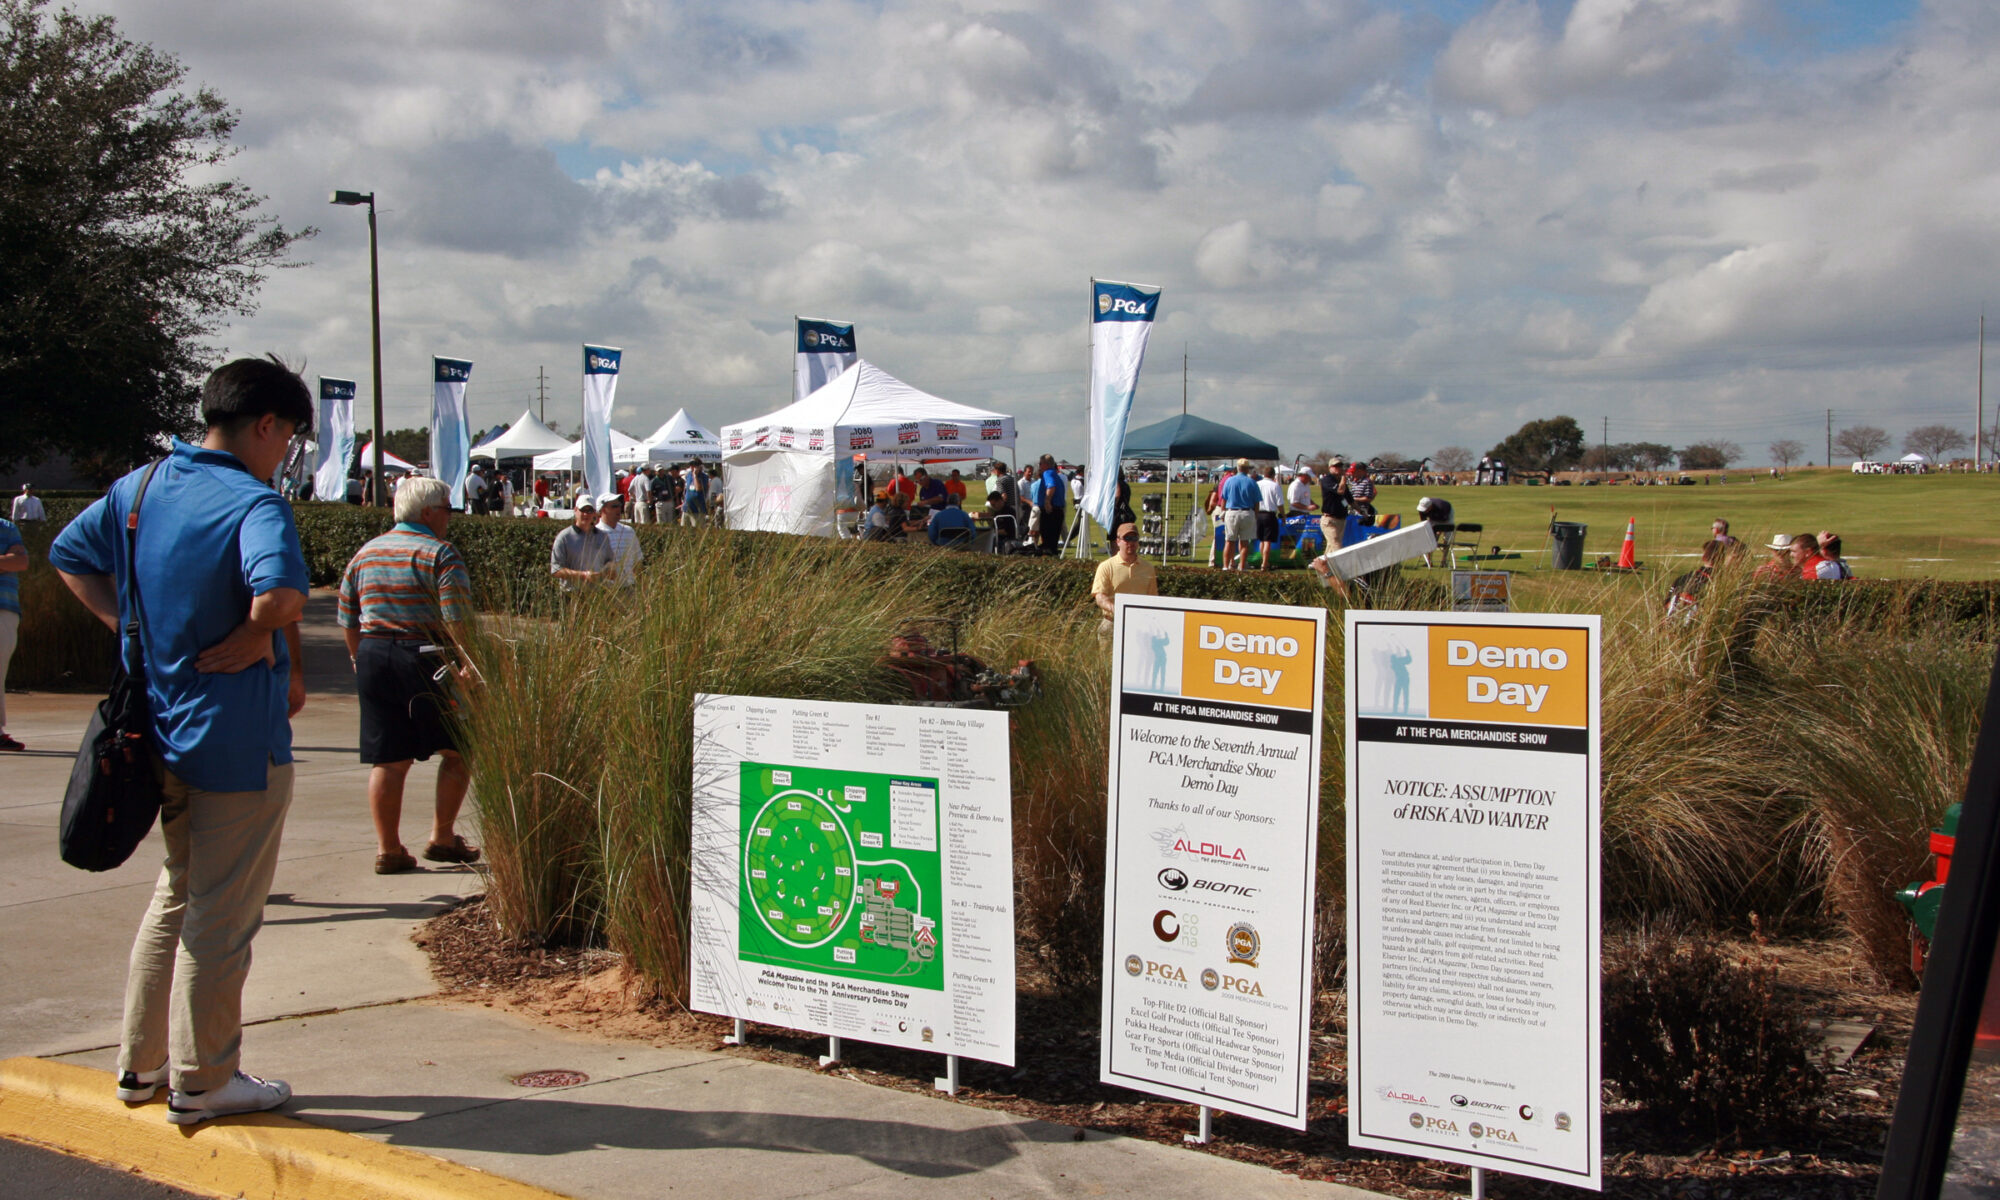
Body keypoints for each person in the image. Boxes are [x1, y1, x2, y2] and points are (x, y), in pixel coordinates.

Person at [49, 355, 313, 1125]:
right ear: (264, 424)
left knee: (174, 898)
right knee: (221, 918)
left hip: (153, 731)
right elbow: (281, 592)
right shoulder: (254, 501)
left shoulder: (137, 488)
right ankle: (205, 1080)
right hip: (234, 740)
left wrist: (128, 625)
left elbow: (69, 555)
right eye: (288, 437)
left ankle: (141, 1066)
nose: (285, 453)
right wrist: (250, 635)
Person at [336, 475, 481, 876]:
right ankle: (442, 836)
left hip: (372, 652)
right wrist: (468, 665)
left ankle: (389, 848)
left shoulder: (366, 553)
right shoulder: (440, 554)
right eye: (448, 509)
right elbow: (457, 620)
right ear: (428, 512)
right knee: (459, 747)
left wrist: (356, 657)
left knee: (388, 758)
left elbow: (347, 615)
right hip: (426, 654)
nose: (450, 518)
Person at [1092, 522, 1158, 631]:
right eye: (1127, 538)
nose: (1131, 542)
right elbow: (1099, 597)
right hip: (1112, 622)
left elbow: (1153, 599)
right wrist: (1116, 609)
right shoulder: (1106, 567)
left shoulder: (1148, 568)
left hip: (1141, 625)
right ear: (1118, 541)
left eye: (1134, 538)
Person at [550, 496, 613, 591]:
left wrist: (608, 570)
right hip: (572, 594)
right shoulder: (564, 537)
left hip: (598, 594)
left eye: (590, 511)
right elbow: (556, 570)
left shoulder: (603, 536)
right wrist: (583, 575)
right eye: (583, 510)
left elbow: (610, 561)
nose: (585, 514)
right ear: (575, 510)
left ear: (595, 513)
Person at [0, 514, 23, 750]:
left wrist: (10, 560)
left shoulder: (6, 528)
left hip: (3, 608)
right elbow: (11, 560)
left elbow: (19, 562)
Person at [1219, 457, 1260, 571]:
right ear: (1247, 469)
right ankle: (1242, 566)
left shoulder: (1229, 481)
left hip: (1231, 512)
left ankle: (1226, 566)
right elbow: (1257, 502)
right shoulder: (1252, 482)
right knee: (1244, 542)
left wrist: (1223, 513)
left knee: (1229, 541)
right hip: (1247, 513)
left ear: (1237, 468)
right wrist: (1255, 516)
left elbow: (1223, 500)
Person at [1666, 538, 1725, 617]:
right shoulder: (1722, 581)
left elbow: (1667, 605)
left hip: (1673, 622)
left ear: (1703, 557)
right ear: (1722, 558)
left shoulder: (1682, 579)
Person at [597, 493, 641, 589]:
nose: (619, 509)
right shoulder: (594, 535)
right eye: (614, 506)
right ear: (603, 510)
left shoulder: (629, 531)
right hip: (605, 592)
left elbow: (638, 563)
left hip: (630, 589)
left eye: (619, 505)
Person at [1255, 466, 1284, 571]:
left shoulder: (1257, 484)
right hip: (1269, 514)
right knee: (1267, 541)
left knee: (1261, 540)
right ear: (1273, 475)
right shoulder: (1275, 486)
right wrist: (1283, 516)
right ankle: (1264, 563)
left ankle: (1263, 561)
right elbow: (1280, 503)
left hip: (1258, 514)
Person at [1036, 454, 1066, 554]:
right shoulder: (1055, 474)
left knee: (1048, 541)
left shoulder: (1047, 473)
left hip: (1050, 511)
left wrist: (1047, 501)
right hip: (1057, 510)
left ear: (1045, 464)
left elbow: (1051, 486)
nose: (1039, 466)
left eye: (1040, 463)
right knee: (1052, 541)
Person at [682, 462, 710, 527]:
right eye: (691, 466)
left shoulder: (704, 477)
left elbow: (698, 488)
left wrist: (695, 476)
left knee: (697, 529)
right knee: (684, 528)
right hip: (687, 508)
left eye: (694, 466)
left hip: (697, 510)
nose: (692, 467)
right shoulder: (688, 475)